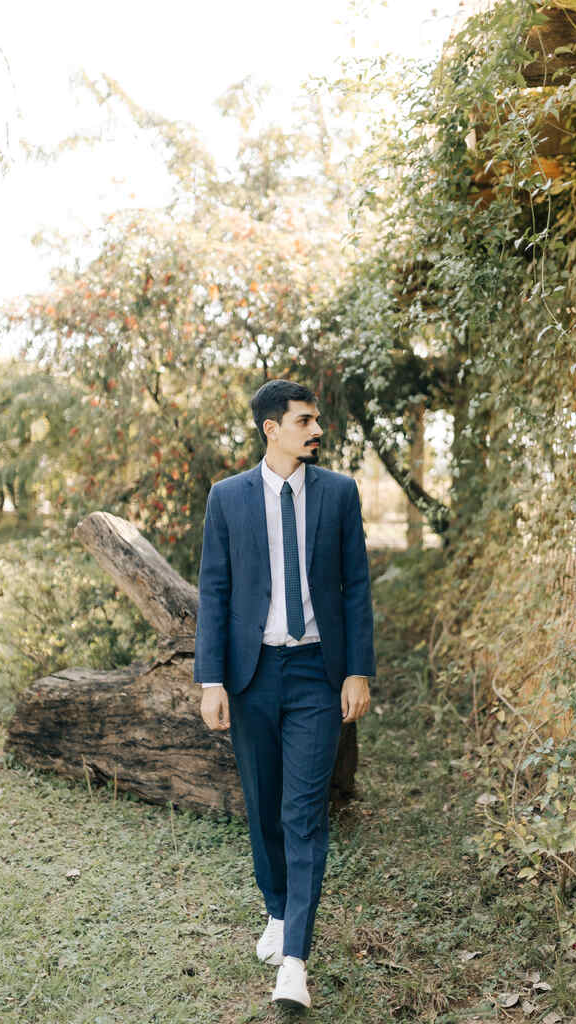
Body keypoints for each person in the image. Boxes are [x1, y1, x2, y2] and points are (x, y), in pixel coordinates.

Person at [194, 378, 375, 1009]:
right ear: (271, 428)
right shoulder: (227, 498)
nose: (316, 429)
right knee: (265, 804)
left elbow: (356, 585)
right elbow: (214, 590)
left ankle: (294, 960)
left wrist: (358, 670)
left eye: (316, 420)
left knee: (303, 813)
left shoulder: (339, 493)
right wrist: (211, 680)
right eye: (304, 420)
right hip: (252, 676)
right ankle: (276, 908)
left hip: (317, 674)